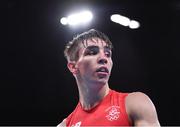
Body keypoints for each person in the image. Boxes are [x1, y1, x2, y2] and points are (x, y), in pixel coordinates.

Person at [57, 29, 160, 126]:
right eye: (92, 52)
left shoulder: (136, 103)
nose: (103, 58)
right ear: (73, 67)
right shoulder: (66, 125)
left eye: (107, 54)